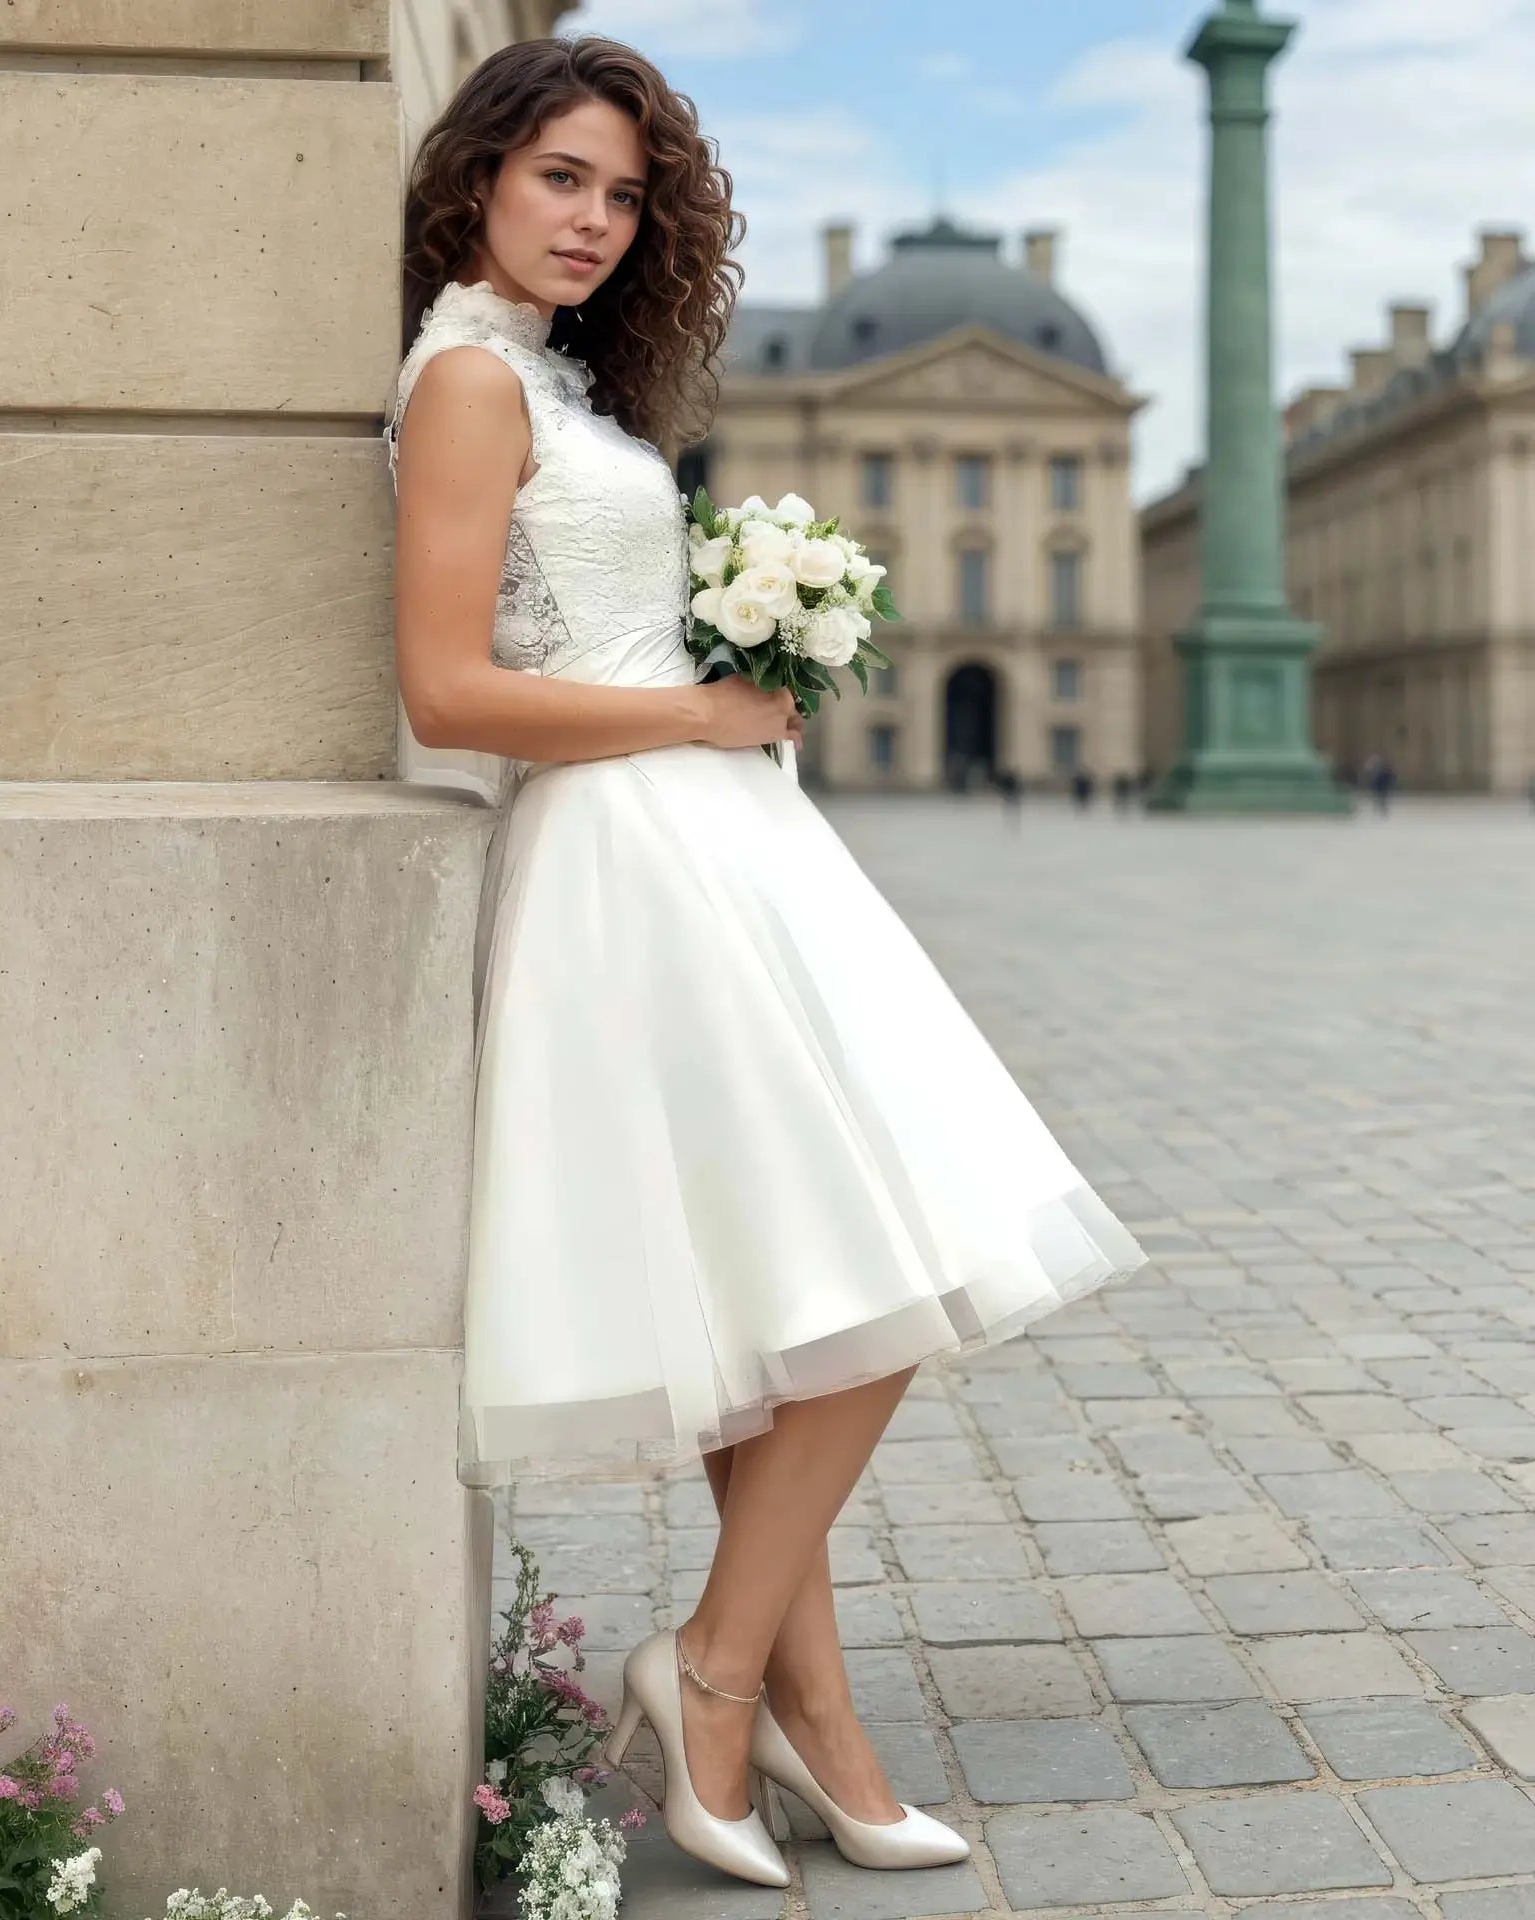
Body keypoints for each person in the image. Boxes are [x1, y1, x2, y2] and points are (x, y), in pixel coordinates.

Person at [388, 34, 1147, 1892]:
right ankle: (718, 1674)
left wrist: (730, 695)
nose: (593, 218)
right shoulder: (475, 380)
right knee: (868, 1264)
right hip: (642, 845)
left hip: (705, 832)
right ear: (477, 173)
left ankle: (822, 1735)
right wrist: (710, 706)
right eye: (561, 175)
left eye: (626, 193)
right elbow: (447, 687)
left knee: (789, 1288)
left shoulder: (551, 376)